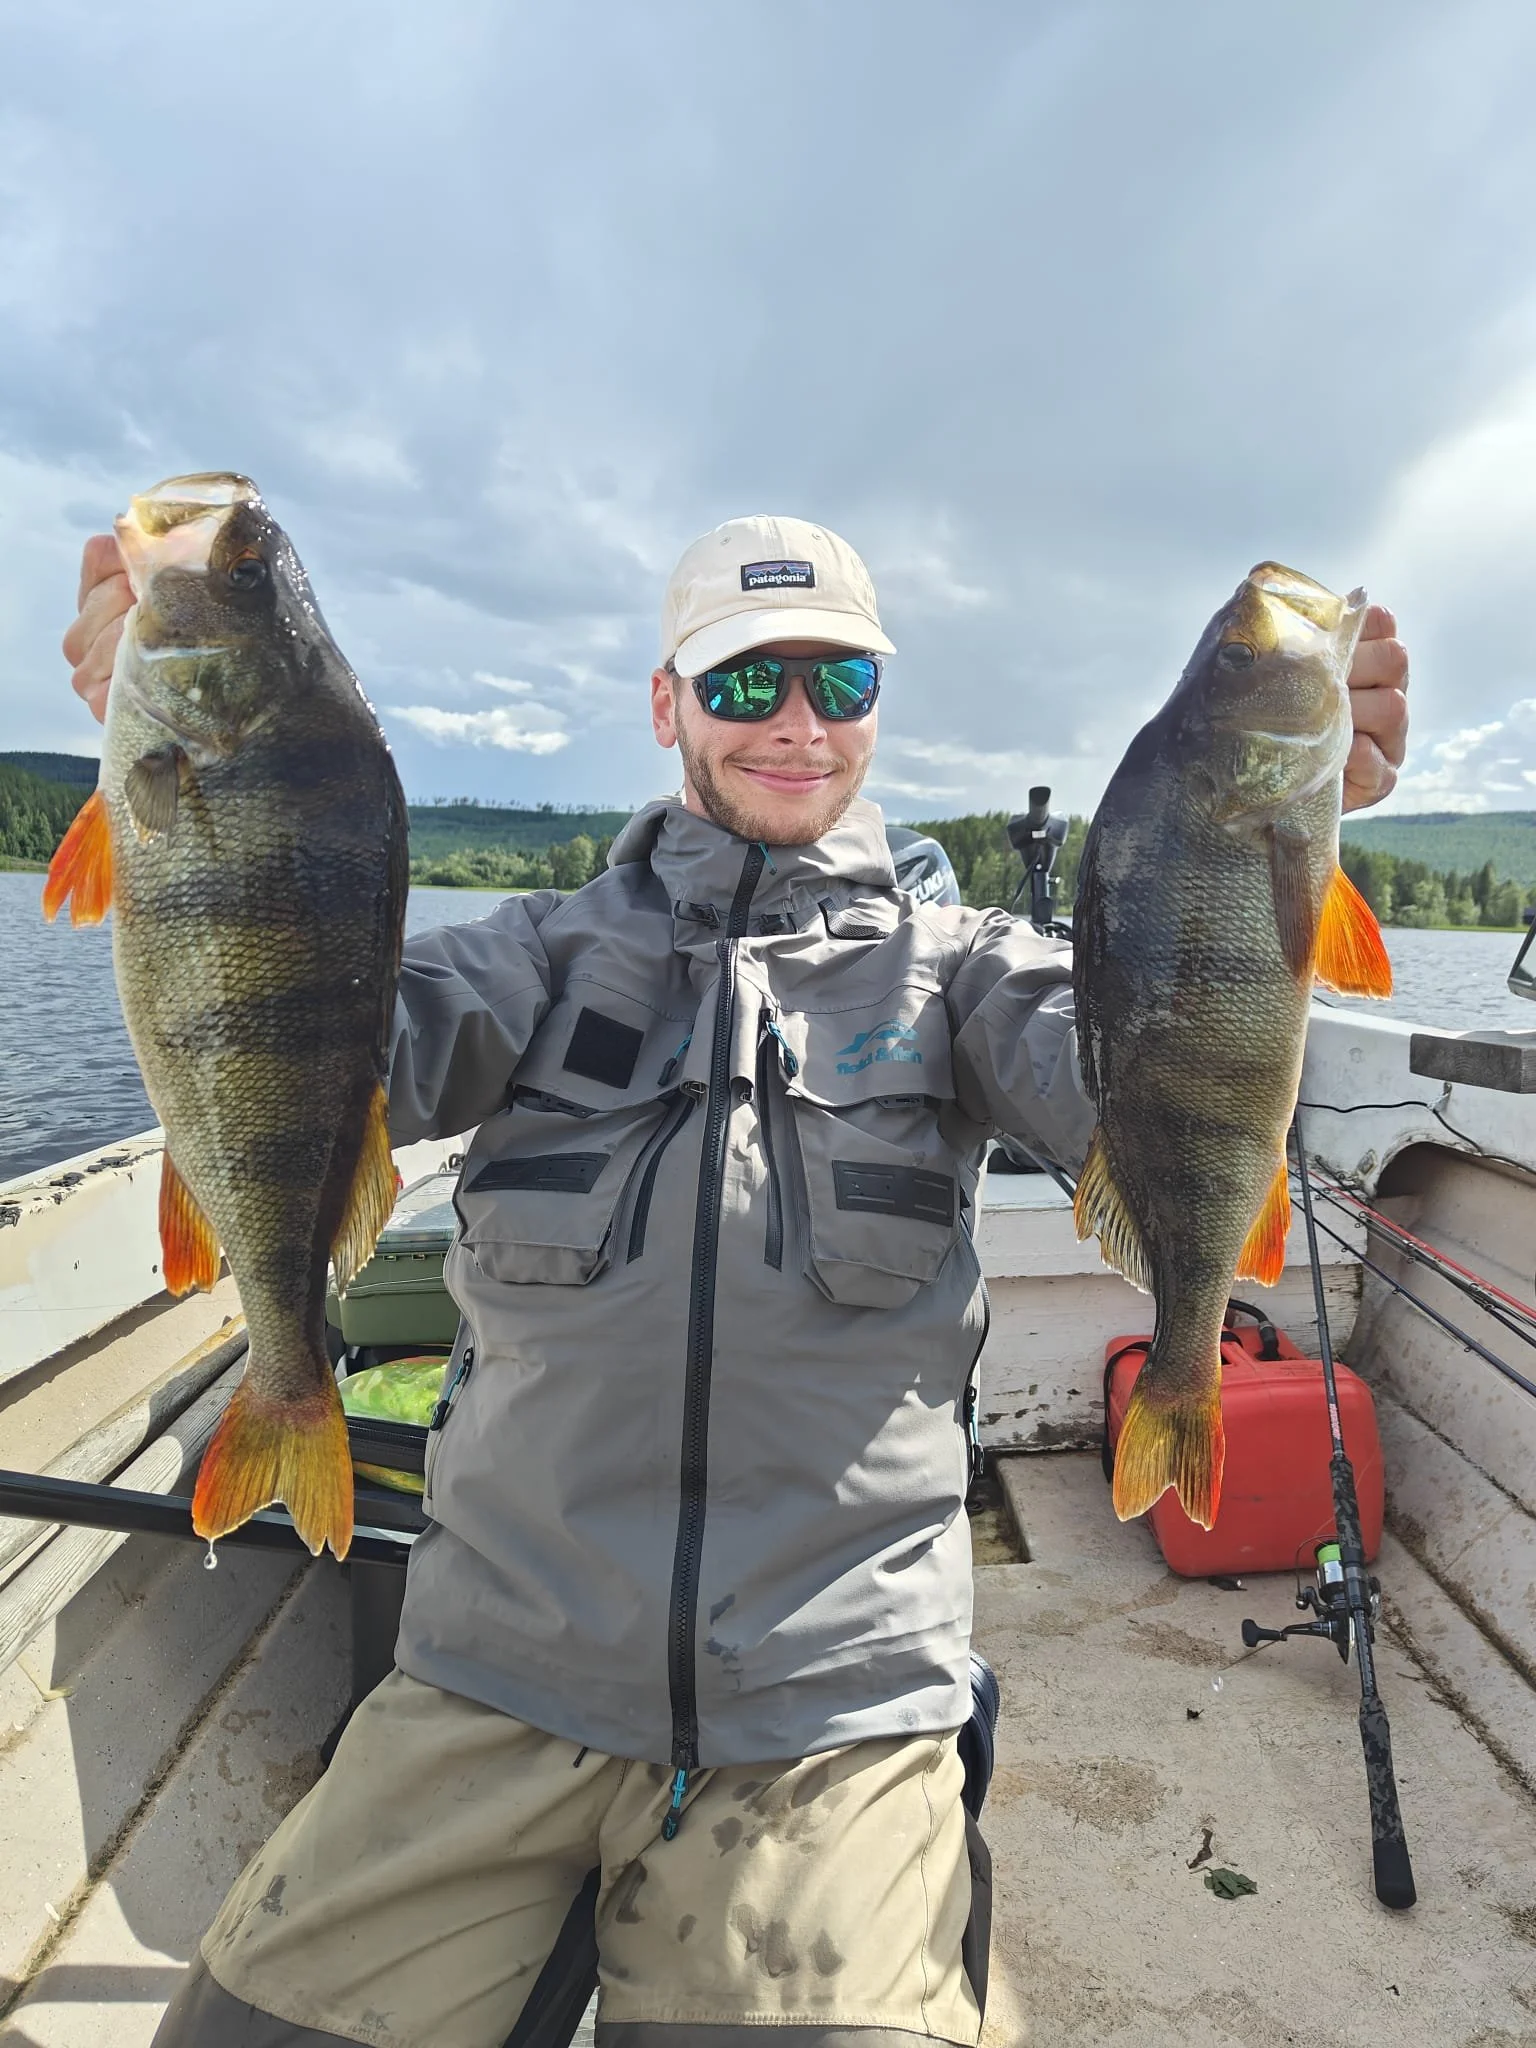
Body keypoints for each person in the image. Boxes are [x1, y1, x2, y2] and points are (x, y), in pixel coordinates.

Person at [64, 514, 1409, 2048]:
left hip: (837, 1715)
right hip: (491, 1676)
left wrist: (1277, 861)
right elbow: (312, 1047)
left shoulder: (968, 969)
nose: (796, 720)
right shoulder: (533, 955)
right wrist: (205, 789)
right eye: (747, 678)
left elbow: (1149, 1077)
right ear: (667, 706)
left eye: (839, 677)